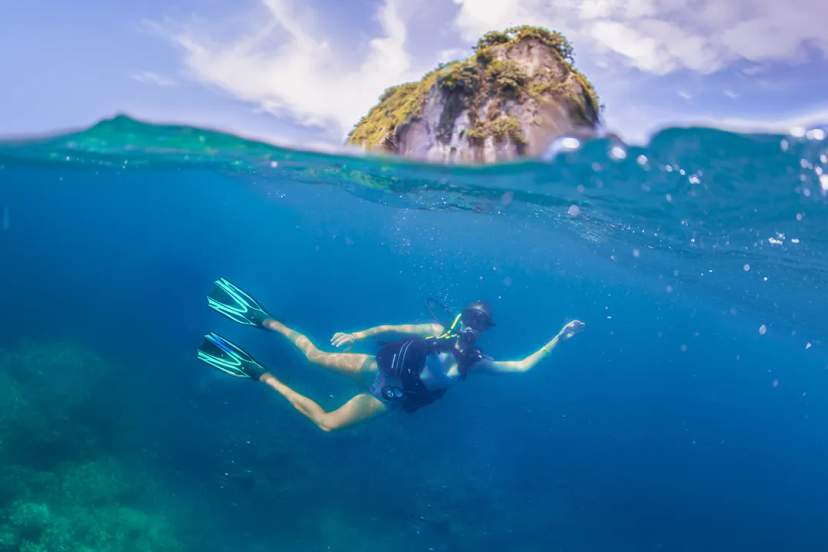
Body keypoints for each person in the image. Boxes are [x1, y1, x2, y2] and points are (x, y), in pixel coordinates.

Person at [197, 278, 585, 432]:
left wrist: (557, 340)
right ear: (459, 316)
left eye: (479, 323)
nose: (471, 325)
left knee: (328, 424)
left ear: (485, 330)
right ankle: (265, 321)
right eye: (468, 317)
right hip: (374, 368)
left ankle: (259, 373)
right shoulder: (438, 332)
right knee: (313, 356)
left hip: (384, 399)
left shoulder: (476, 362)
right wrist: (358, 334)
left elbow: (520, 367)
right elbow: (392, 330)